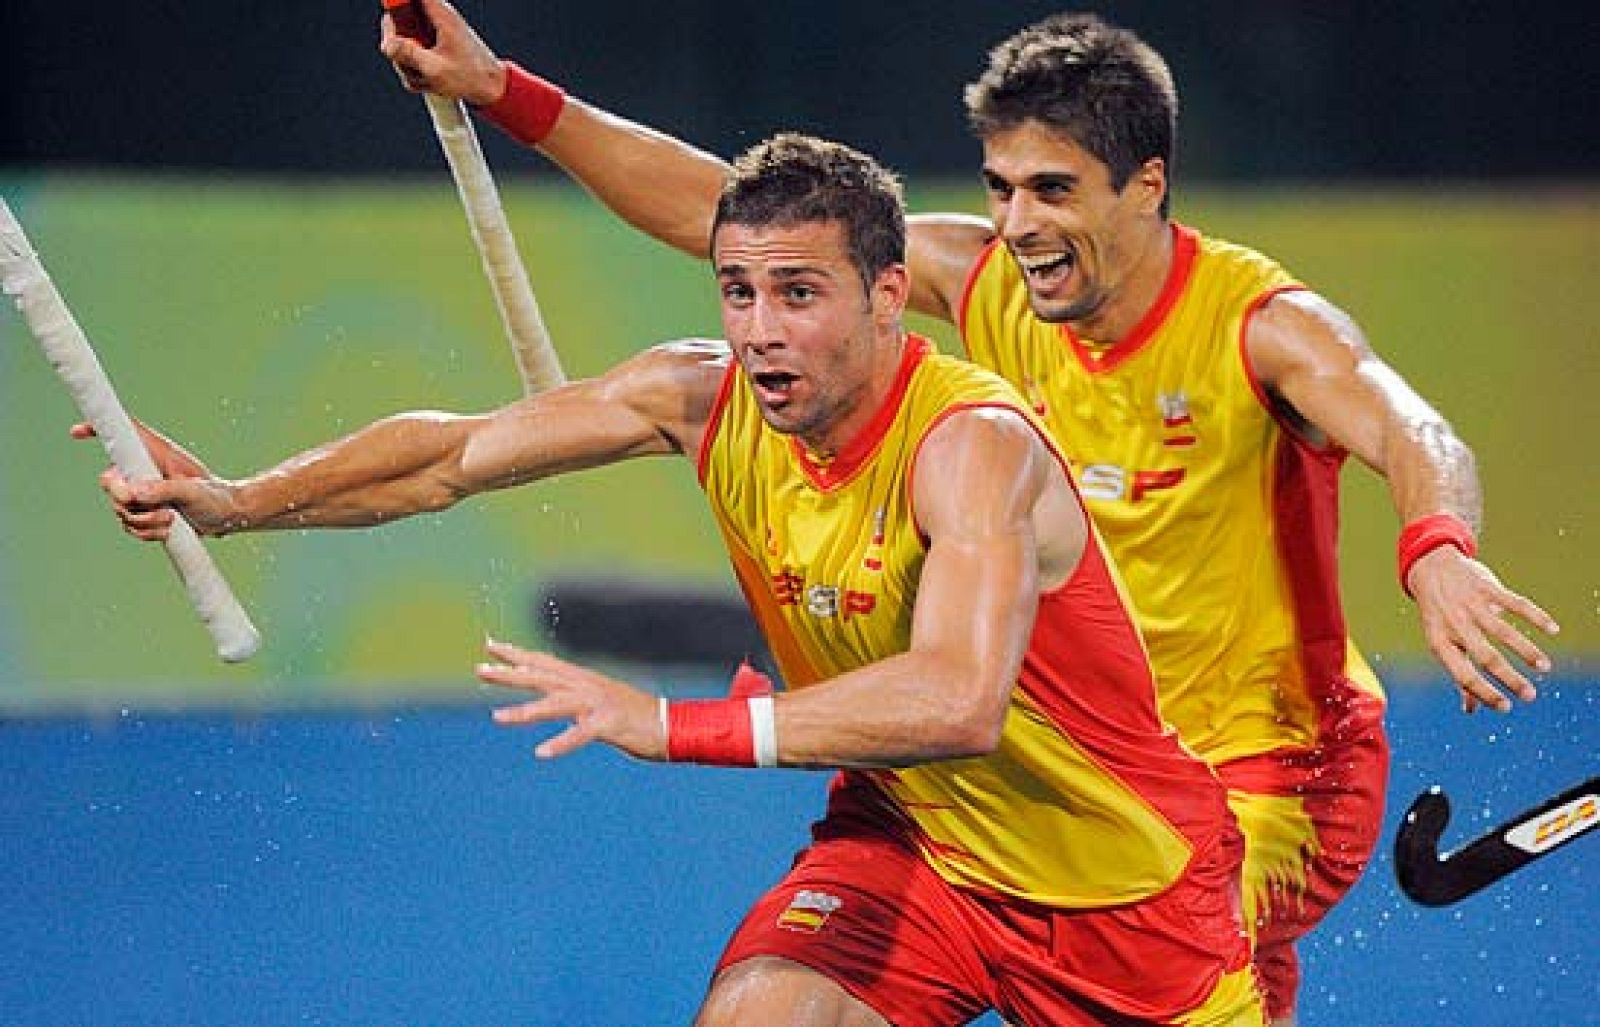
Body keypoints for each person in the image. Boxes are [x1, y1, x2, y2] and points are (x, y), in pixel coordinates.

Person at [380, 6, 1561, 1024]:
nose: (1019, 223)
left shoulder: (1258, 325)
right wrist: (500, 91)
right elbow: (713, 207)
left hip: (1274, 770)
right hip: (1053, 754)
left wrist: (1435, 549)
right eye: (1000, 188)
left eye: (1053, 190)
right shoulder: (990, 279)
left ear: (1147, 187)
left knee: (1154, 908)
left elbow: (1417, 432)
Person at [90, 135, 1265, 1025]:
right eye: (739, 291)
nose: (759, 331)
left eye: (799, 295)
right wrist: (243, 501)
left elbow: (956, 698)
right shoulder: (698, 394)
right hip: (913, 852)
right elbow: (452, 454)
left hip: (1126, 900)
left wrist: (667, 721)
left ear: (888, 297)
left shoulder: (972, 448)